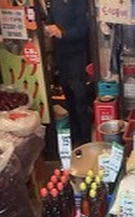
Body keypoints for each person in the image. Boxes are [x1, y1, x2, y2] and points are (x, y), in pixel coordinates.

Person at [45, 0, 91, 147]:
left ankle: (85, 139)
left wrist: (62, 33)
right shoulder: (55, 3)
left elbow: (83, 31)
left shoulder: (79, 3)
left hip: (77, 55)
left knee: (80, 99)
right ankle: (75, 137)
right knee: (69, 98)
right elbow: (49, 23)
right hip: (61, 55)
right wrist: (48, 29)